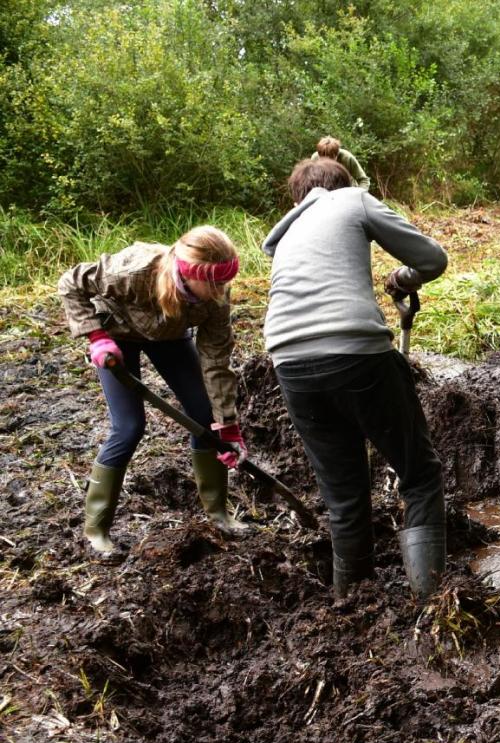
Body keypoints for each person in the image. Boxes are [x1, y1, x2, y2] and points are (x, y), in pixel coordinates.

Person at [261, 157, 447, 602]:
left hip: (289, 364)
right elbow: (432, 259)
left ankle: (353, 603)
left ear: (298, 198)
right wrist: (404, 277)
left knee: (344, 498)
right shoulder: (352, 199)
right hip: (354, 351)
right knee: (419, 474)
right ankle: (435, 602)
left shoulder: (285, 234)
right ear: (340, 183)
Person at [58, 226, 247, 555]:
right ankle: (96, 531)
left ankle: (218, 514)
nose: (221, 290)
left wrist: (227, 424)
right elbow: (71, 282)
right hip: (117, 334)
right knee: (129, 427)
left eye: (225, 281)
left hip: (169, 337)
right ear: (189, 273)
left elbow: (216, 360)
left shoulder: (216, 295)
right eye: (215, 282)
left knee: (205, 418)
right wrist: (95, 337)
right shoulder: (134, 271)